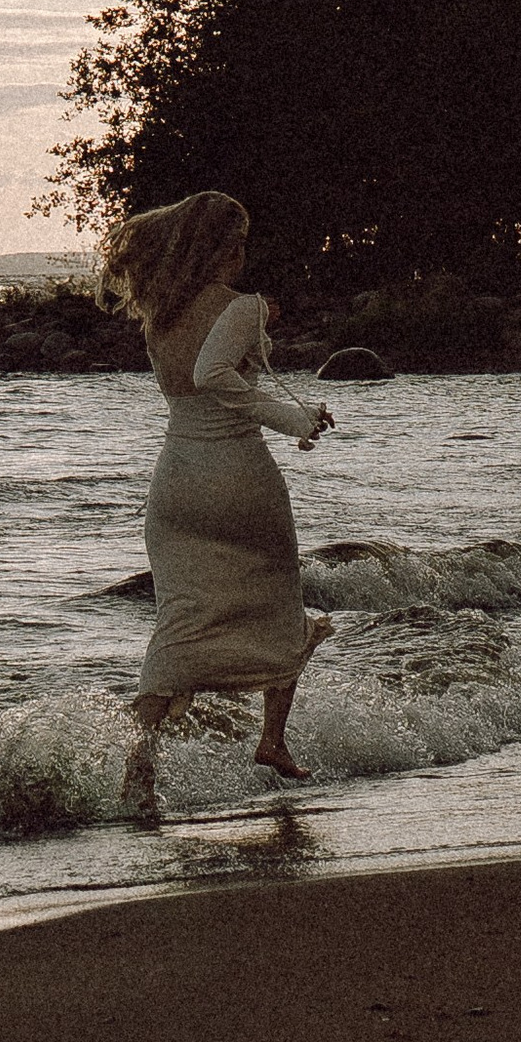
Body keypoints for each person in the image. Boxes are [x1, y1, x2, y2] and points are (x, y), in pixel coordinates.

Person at [100, 190, 334, 816]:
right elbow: (213, 376)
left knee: (179, 618)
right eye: (239, 242)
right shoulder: (241, 307)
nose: (243, 254)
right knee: (281, 597)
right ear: (223, 245)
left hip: (175, 481)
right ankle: (272, 740)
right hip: (236, 477)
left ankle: (138, 773)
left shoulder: (159, 309)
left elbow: (194, 381)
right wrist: (297, 417)